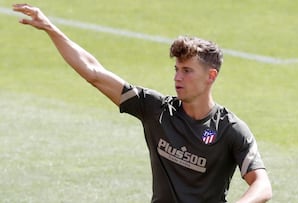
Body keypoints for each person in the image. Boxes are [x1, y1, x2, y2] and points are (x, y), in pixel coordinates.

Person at [13, 3, 272, 203]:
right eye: (176, 69)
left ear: (211, 76)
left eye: (187, 71)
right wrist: (50, 28)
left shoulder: (230, 129)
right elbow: (94, 72)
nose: (177, 77)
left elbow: (262, 185)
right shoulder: (155, 110)